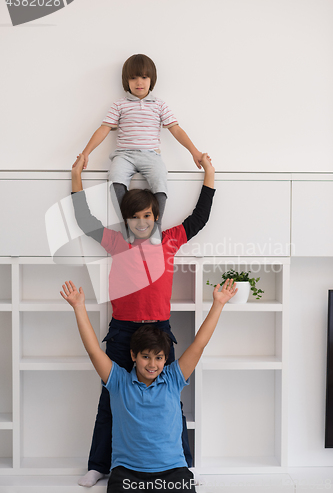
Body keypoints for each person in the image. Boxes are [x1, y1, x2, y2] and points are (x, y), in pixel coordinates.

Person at [71, 152, 215, 487]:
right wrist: (77, 174)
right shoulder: (116, 242)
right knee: (111, 399)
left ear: (155, 216)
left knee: (170, 400)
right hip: (123, 331)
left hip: (159, 330)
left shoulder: (170, 240)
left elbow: (200, 217)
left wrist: (208, 171)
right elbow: (83, 218)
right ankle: (98, 464)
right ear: (127, 219)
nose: (141, 222)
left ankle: (182, 464)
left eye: (147, 216)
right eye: (135, 216)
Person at [60, 279, 238, 493]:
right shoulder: (119, 382)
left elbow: (199, 344)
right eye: (146, 357)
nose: (152, 365)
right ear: (133, 356)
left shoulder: (173, 379)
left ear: (166, 359)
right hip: (127, 473)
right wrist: (79, 307)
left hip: (173, 471)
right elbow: (93, 351)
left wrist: (218, 304)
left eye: (159, 358)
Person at [73, 53, 203, 242]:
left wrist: (194, 151)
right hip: (124, 155)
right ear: (126, 81)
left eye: (144, 77)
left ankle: (155, 227)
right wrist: (85, 153)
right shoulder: (119, 105)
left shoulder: (159, 105)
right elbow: (103, 129)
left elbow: (176, 130)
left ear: (152, 79)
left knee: (160, 178)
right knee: (115, 179)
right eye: (133, 78)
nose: (139, 82)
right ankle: (128, 225)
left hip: (151, 155)